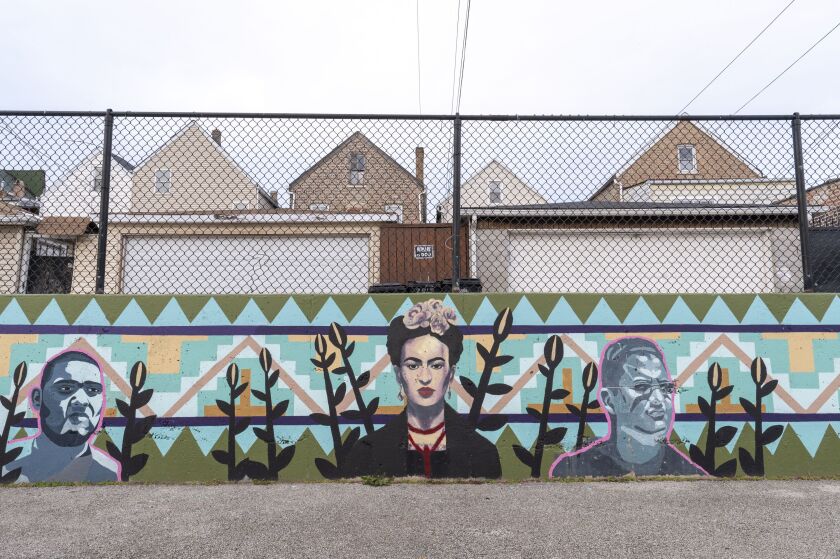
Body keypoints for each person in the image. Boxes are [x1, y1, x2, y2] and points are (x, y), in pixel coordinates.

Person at [344, 300, 501, 479]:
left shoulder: (482, 453)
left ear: (451, 374)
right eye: (412, 366)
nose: (425, 377)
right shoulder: (367, 452)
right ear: (398, 374)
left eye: (436, 365)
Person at [549, 337, 706, 478]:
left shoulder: (688, 473)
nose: (659, 399)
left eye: (665, 388)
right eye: (642, 387)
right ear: (609, 400)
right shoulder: (572, 469)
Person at [3, 350, 119, 482]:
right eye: (65, 389)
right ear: (37, 399)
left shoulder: (110, 470)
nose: (81, 400)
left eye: (93, 390)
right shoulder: (7, 463)